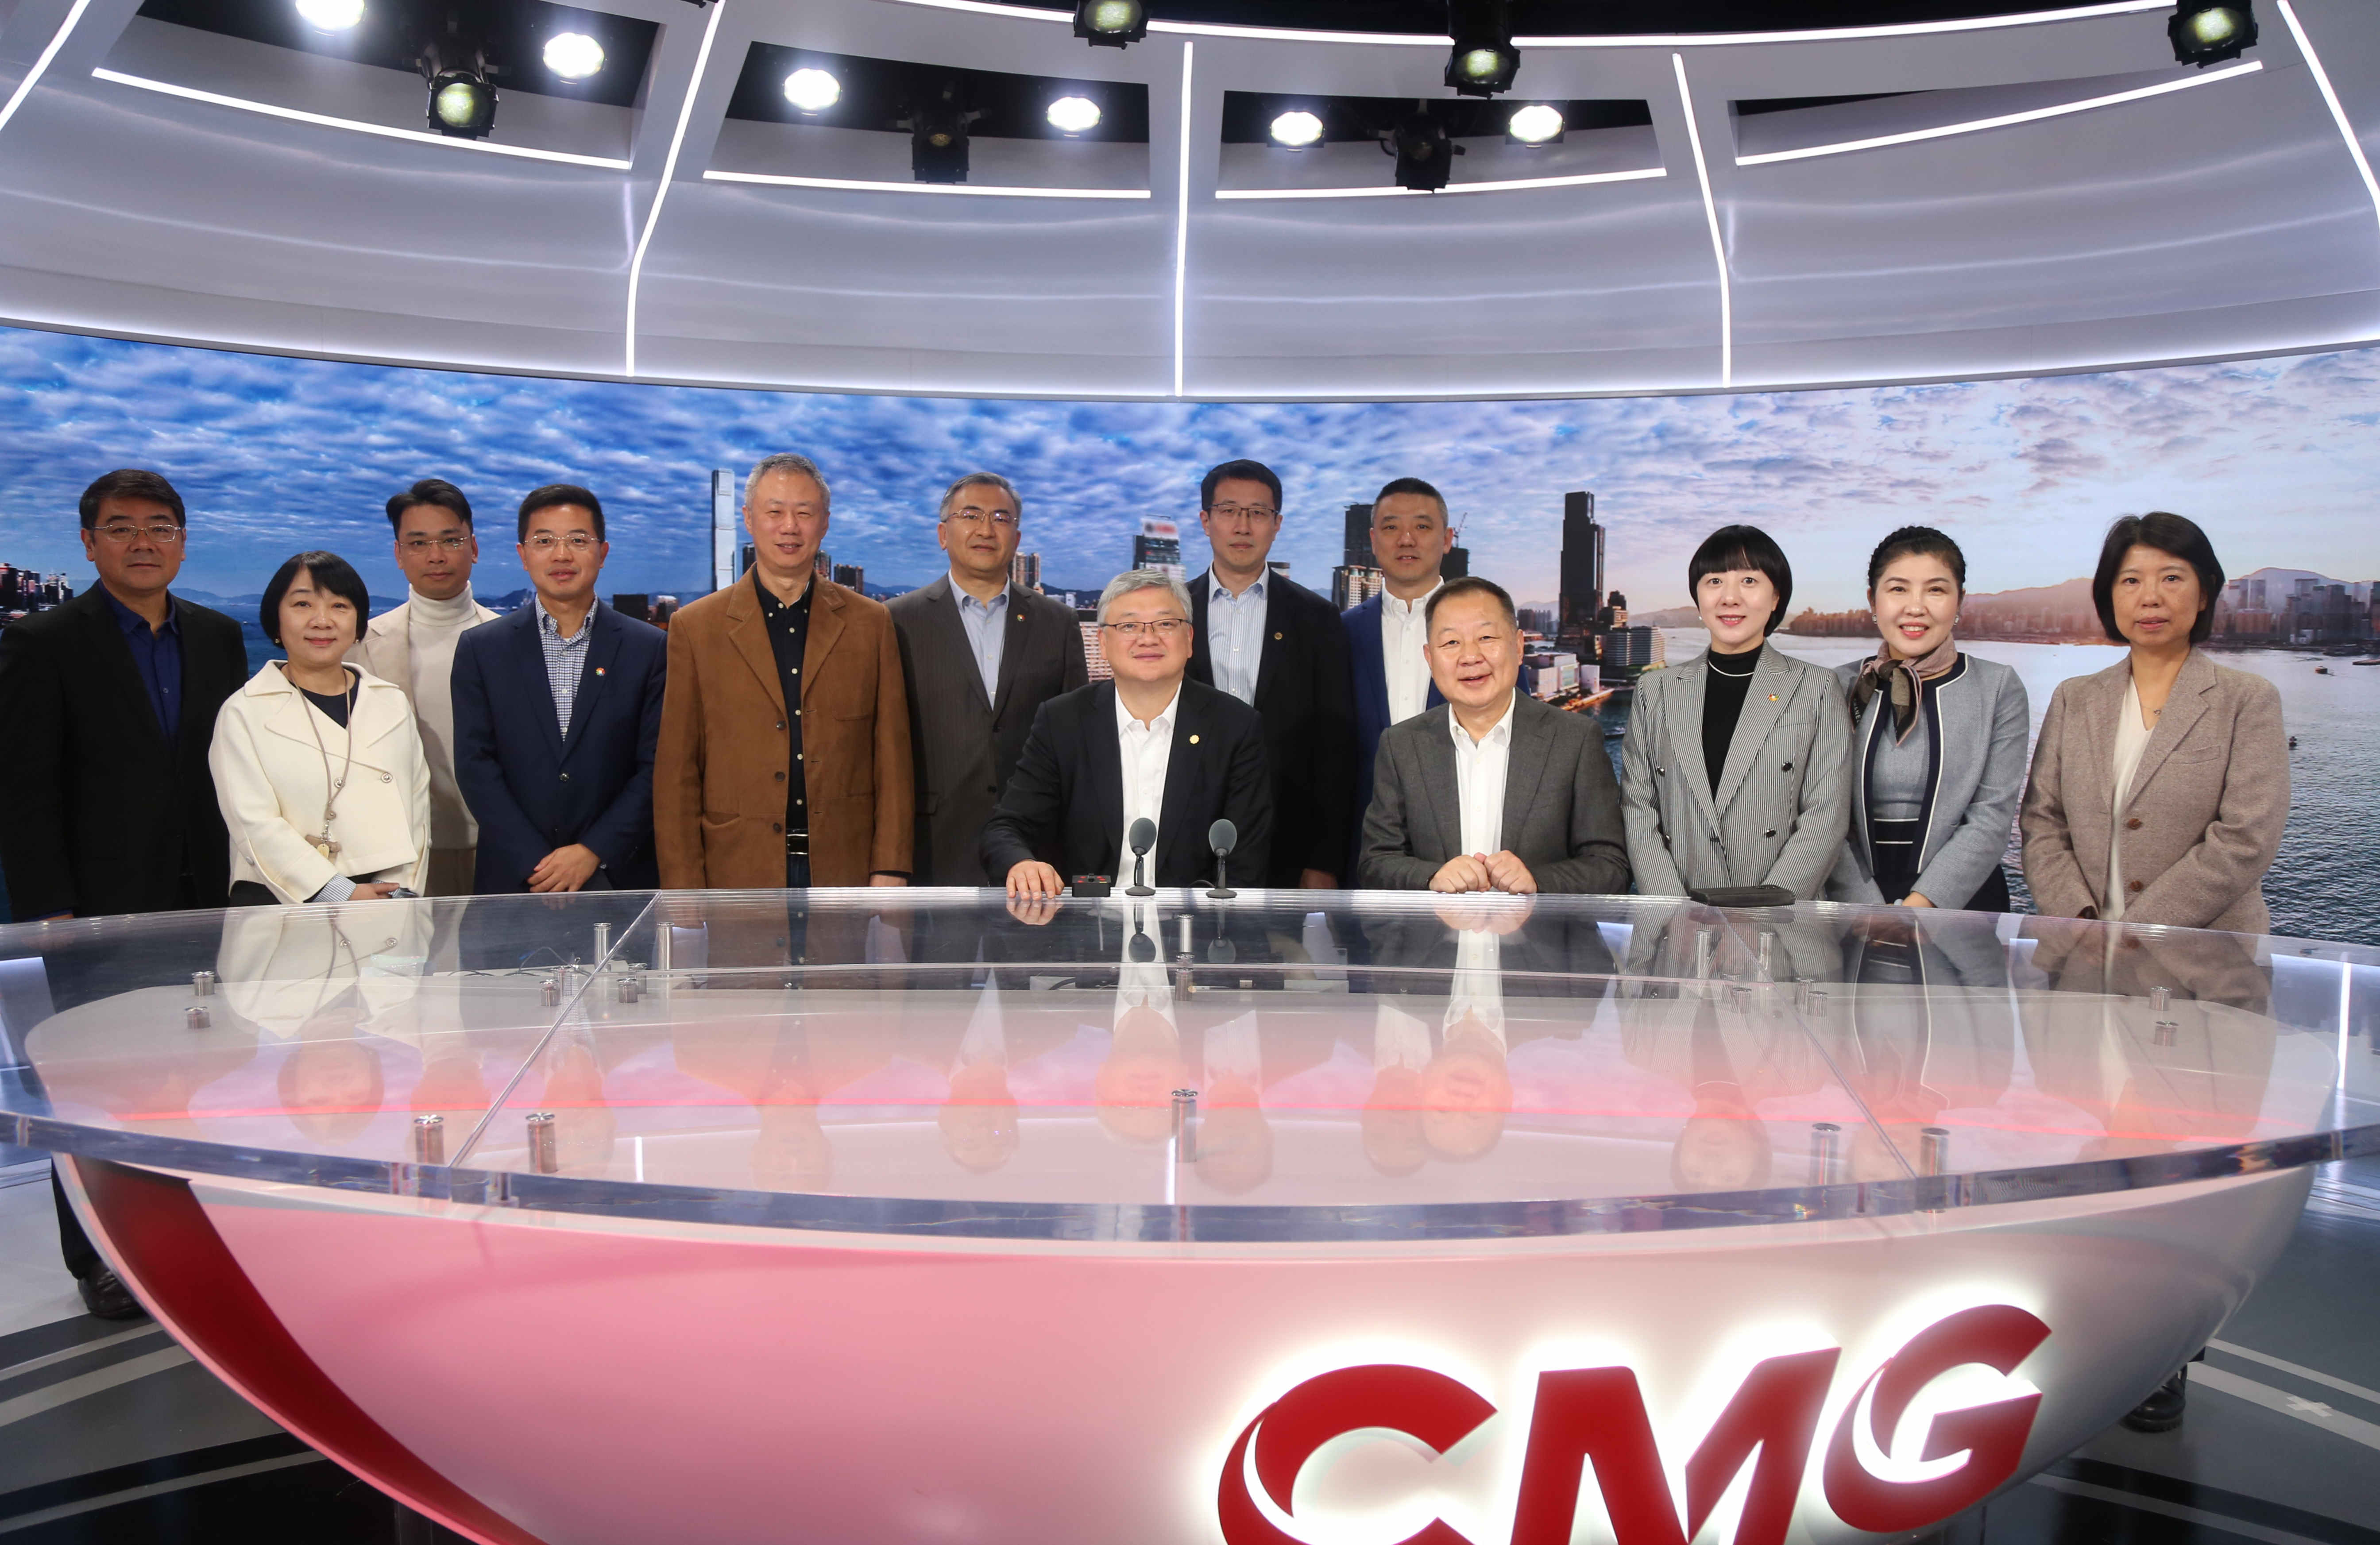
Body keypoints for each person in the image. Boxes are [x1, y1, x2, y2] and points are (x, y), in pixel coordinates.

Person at [0, 468, 247, 1319]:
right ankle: (99, 1257)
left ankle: (184, 1234)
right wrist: (53, 915)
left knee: (194, 1075)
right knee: (92, 1084)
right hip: (96, 912)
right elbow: (22, 790)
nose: (143, 543)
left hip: (204, 902)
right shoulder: (42, 642)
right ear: (88, 541)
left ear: (183, 540)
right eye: (122, 527)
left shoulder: (218, 637)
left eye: (160, 527)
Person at [2020, 511, 2287, 931]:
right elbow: (2042, 822)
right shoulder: (2074, 698)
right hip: (2082, 948)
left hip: (2202, 957)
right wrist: (2081, 924)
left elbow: (2247, 839)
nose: (2150, 598)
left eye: (2172, 578)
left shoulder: (2248, 699)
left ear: (2204, 593)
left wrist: (2139, 933)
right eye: (2131, 581)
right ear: (2109, 596)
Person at [656, 452, 912, 888]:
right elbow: (677, 773)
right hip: (736, 870)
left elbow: (892, 756)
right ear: (748, 519)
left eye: (804, 513)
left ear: (825, 523)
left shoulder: (871, 623)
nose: (789, 527)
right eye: (775, 512)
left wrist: (890, 867)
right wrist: (684, 889)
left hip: (845, 868)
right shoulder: (695, 627)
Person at [981, 571, 1273, 894]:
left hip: (1196, 919)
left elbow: (1246, 863)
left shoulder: (1235, 726)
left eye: (1165, 624)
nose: (1148, 639)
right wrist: (1021, 864)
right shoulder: (1062, 721)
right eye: (1130, 626)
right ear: (1103, 643)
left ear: (1189, 639)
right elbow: (1007, 829)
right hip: (1088, 918)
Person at [450, 485, 668, 894]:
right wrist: (537, 864)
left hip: (619, 875)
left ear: (603, 553)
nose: (562, 554)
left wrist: (592, 851)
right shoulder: (482, 649)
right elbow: (475, 765)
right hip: (516, 878)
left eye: (578, 541)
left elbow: (657, 766)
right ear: (523, 555)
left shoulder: (650, 648)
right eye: (545, 541)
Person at [1619, 524, 1851, 899]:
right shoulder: (1655, 690)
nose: (1730, 598)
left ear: (1776, 597)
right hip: (1679, 919)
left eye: (1749, 581)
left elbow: (1827, 815)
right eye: (1714, 582)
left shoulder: (1818, 687)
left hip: (1781, 918)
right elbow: (1639, 809)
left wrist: (1764, 910)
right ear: (1698, 597)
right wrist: (1674, 912)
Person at [1358, 576, 1629, 894]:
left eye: (1486, 637)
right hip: (1436, 928)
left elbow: (1611, 866)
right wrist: (1431, 878)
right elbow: (1375, 863)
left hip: (1538, 927)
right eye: (1451, 643)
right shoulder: (1401, 744)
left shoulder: (1576, 740)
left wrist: (1537, 881)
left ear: (1518, 646)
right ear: (1430, 659)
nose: (1470, 657)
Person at [887, 473, 1086, 885]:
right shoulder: (897, 620)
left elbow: (1077, 741)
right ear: (943, 534)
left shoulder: (1058, 622)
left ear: (1016, 538)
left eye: (1000, 518)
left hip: (1037, 853)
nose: (985, 529)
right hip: (933, 847)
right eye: (970, 515)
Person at [1826, 526, 2029, 912]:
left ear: (1959, 601)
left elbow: (1992, 815)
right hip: (1851, 906)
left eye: (1936, 590)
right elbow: (1821, 813)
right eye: (1898, 589)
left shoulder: (1998, 687)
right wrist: (1869, 912)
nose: (1916, 608)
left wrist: (1920, 909)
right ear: (1873, 600)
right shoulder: (1836, 686)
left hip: (1964, 903)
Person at [209, 551, 430, 905]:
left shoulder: (391, 702)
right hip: (286, 896)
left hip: (385, 898)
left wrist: (396, 891)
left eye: (340, 606)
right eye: (303, 604)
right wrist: (341, 893)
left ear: (359, 623)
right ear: (275, 621)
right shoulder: (243, 712)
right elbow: (254, 824)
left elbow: (417, 809)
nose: (322, 621)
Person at [1186, 459, 1356, 889]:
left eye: (1258, 513)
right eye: (1228, 510)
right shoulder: (1174, 612)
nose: (1243, 526)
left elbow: (1335, 747)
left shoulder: (1317, 618)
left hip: (1285, 841)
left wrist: (1323, 860)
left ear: (1277, 524)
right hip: (1182, 834)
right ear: (1206, 521)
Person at [347, 479, 499, 897]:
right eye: (418, 543)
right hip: (401, 854)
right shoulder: (361, 646)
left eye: (451, 540)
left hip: (501, 847)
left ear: (474, 547)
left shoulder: (514, 642)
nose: (436, 556)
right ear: (399, 554)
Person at [1343, 478, 1452, 872]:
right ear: (1374, 540)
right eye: (1392, 527)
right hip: (1358, 851)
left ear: (1447, 539)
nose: (1407, 539)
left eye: (1422, 526)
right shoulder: (1340, 633)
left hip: (1465, 854)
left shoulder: (1486, 630)